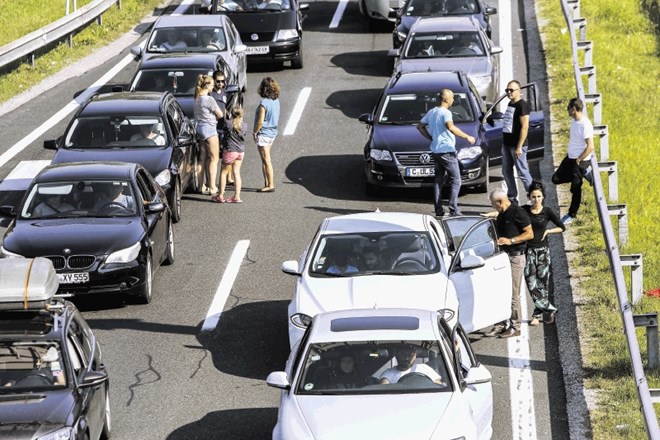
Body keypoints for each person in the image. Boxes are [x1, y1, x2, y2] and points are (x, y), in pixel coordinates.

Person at [417, 88, 476, 217]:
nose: (453, 100)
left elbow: (420, 126)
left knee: (438, 180)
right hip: (447, 151)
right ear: (446, 99)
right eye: (452, 97)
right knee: (456, 180)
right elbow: (450, 126)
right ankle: (453, 209)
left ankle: (438, 209)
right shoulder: (446, 113)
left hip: (436, 150)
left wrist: (431, 137)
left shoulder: (432, 112)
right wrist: (467, 137)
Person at [484, 187, 533, 338]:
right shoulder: (501, 215)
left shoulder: (518, 212)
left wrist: (511, 240)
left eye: (494, 204)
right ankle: (500, 323)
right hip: (503, 257)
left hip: (516, 257)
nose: (493, 207)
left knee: (513, 294)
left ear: (499, 202)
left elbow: (529, 233)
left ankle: (515, 326)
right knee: (499, 291)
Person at [522, 181, 565, 326]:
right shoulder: (524, 210)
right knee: (531, 282)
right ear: (529, 197)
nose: (536, 199)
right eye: (533, 197)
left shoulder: (547, 211)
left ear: (543, 197)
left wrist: (548, 231)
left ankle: (538, 314)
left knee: (543, 283)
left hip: (542, 251)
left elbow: (561, 227)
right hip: (528, 251)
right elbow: (510, 211)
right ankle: (550, 308)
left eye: (539, 196)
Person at [551, 98, 594, 225]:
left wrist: (579, 160)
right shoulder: (574, 121)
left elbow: (590, 146)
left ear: (574, 109)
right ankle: (584, 173)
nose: (567, 110)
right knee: (556, 179)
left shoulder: (585, 124)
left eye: (568, 107)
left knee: (575, 188)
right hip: (570, 157)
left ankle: (571, 214)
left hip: (579, 160)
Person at [501, 80, 533, 203]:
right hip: (507, 144)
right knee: (506, 172)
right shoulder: (510, 104)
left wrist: (519, 146)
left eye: (511, 90)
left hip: (517, 146)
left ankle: (533, 197)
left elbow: (525, 127)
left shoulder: (522, 106)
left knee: (523, 172)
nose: (509, 92)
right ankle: (512, 198)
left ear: (519, 91)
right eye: (507, 90)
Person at [193, 74, 224, 198]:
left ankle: (201, 186)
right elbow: (220, 114)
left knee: (202, 158)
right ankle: (212, 187)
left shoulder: (197, 98)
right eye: (211, 85)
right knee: (214, 158)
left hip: (199, 129)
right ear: (206, 86)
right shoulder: (209, 99)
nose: (213, 87)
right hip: (210, 130)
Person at [253, 77, 281, 193]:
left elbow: (260, 120)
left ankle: (270, 184)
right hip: (272, 133)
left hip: (264, 133)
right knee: (265, 159)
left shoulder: (264, 103)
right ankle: (267, 182)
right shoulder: (276, 101)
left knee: (266, 159)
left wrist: (255, 132)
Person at [217, 106, 247, 203]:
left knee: (224, 172)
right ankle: (237, 196)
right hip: (240, 152)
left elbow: (223, 134)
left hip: (230, 150)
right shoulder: (245, 125)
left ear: (232, 114)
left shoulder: (228, 124)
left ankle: (220, 195)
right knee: (236, 173)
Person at [211, 70, 233, 185]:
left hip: (224, 126)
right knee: (215, 156)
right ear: (213, 81)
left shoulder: (224, 92)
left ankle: (228, 177)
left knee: (228, 152)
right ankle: (213, 181)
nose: (220, 84)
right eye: (218, 81)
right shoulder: (211, 94)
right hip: (215, 128)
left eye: (222, 81)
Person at [379, 345, 443, 384]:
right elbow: (383, 386)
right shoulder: (389, 373)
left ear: (415, 356)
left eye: (410, 355)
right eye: (402, 354)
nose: (406, 358)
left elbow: (438, 384)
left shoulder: (424, 368)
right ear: (397, 355)